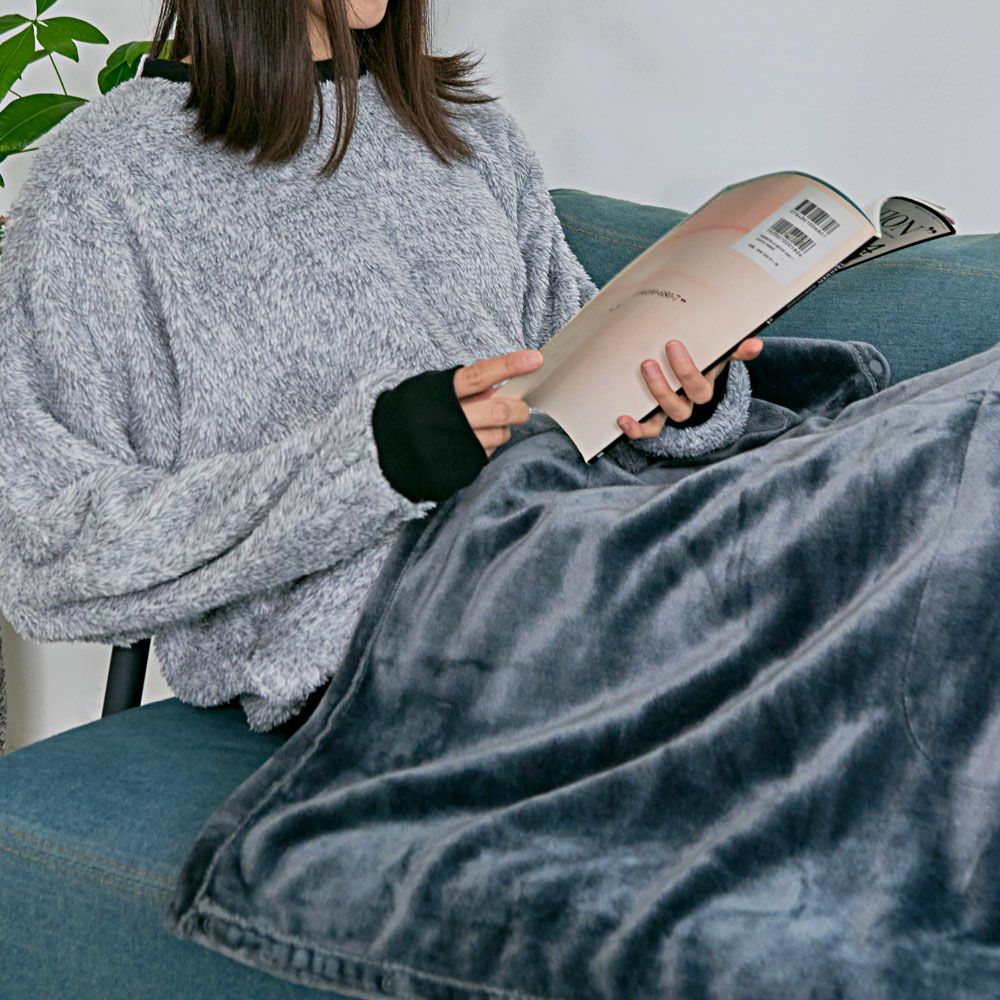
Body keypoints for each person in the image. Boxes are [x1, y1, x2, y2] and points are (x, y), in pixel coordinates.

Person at [0, 0, 760, 736]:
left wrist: (674, 395)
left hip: (591, 541)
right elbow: (41, 551)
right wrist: (372, 462)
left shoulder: (467, 128)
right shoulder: (103, 180)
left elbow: (570, 361)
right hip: (404, 634)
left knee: (832, 494)